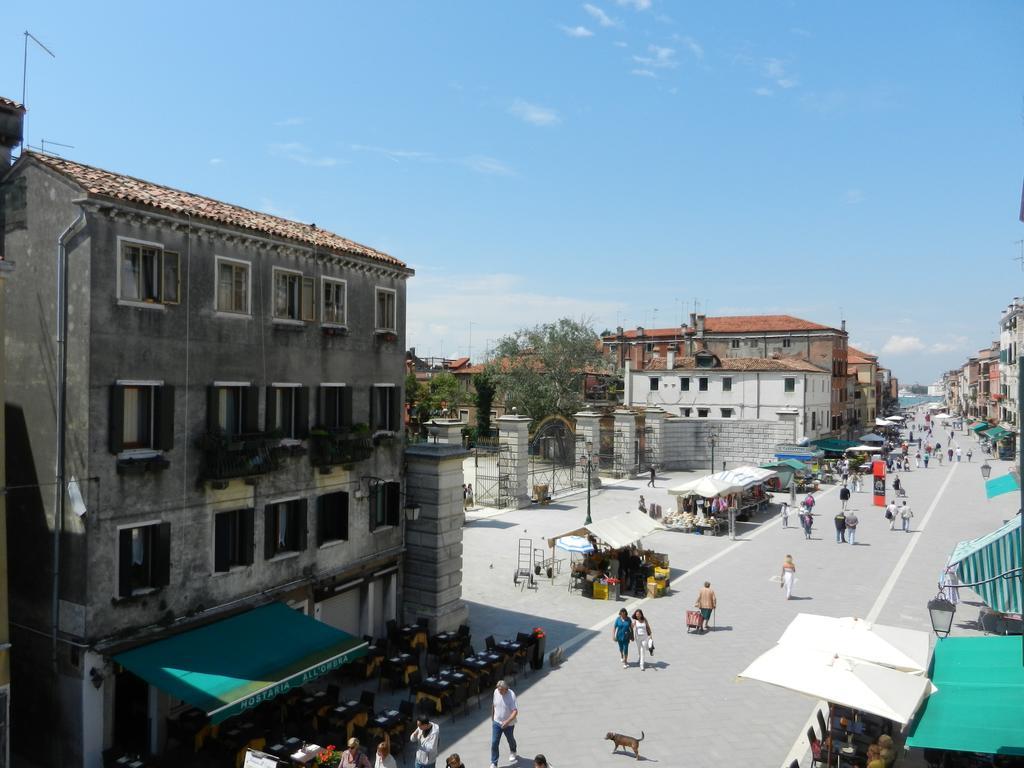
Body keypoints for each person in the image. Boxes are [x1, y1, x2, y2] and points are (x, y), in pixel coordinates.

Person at [490, 681, 518, 768]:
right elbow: (494, 704)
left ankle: (513, 751)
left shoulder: (511, 695)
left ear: (506, 689)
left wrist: (507, 721)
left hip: (508, 724)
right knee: (494, 742)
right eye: (498, 690)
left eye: (501, 690)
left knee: (510, 739)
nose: (499, 692)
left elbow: (515, 711)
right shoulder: (496, 692)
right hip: (497, 722)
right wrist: (492, 716)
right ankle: (494, 762)